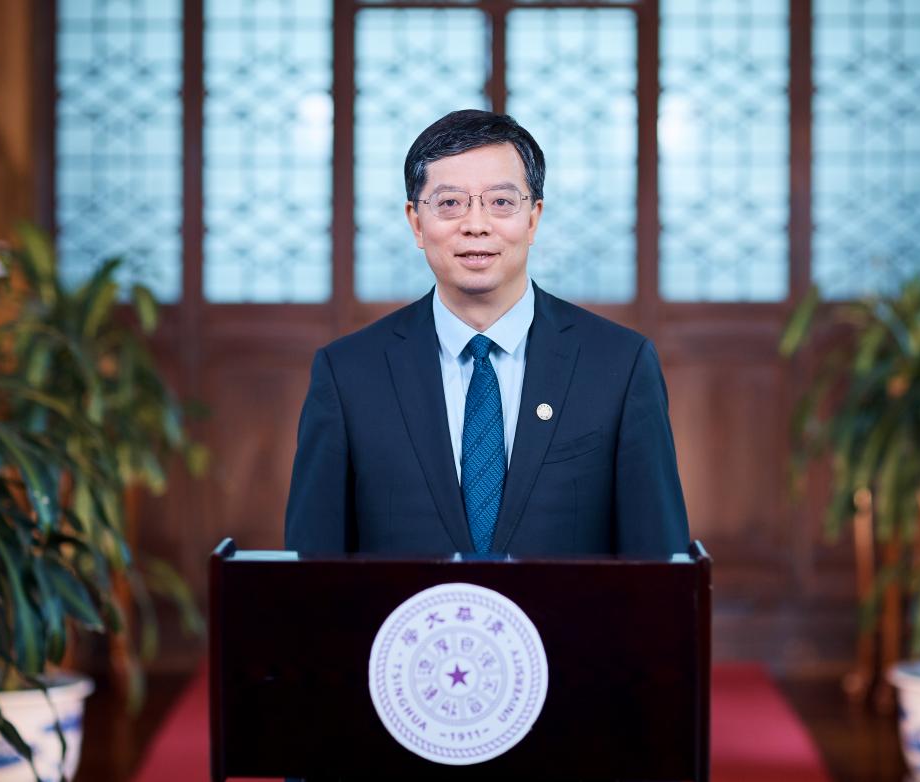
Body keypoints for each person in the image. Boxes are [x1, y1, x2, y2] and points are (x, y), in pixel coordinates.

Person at [284, 109, 689, 556]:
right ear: (416, 222)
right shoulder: (348, 373)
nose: (476, 224)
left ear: (532, 219)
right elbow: (312, 568)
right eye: (449, 203)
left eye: (501, 202)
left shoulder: (620, 365)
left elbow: (659, 564)